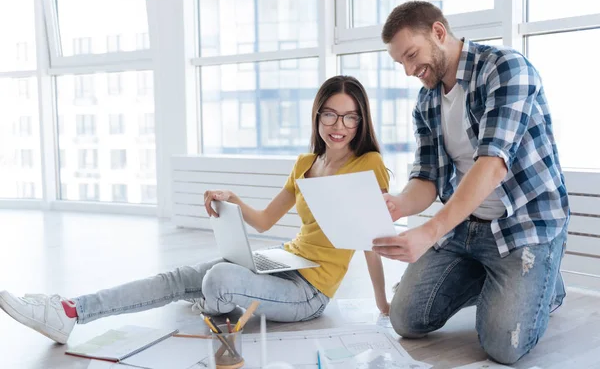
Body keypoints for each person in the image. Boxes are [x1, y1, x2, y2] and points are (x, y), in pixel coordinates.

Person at [0, 75, 391, 345]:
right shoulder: (306, 162)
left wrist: (383, 306)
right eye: (330, 114)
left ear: (361, 121)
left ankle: (214, 299)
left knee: (217, 278)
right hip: (284, 261)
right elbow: (266, 220)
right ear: (317, 115)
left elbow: (373, 240)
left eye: (350, 116)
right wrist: (233, 200)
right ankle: (70, 312)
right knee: (180, 275)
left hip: (311, 292)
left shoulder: (368, 165)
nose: (339, 125)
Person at [371, 1, 569, 365]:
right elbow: (427, 178)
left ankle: (546, 285)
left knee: (502, 346)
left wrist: (429, 232)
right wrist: (398, 203)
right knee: (406, 319)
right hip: (466, 230)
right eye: (401, 63)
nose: (410, 70)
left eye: (412, 55)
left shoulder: (506, 69)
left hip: (523, 226)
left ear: (439, 32)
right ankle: (491, 278)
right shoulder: (427, 102)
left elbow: (492, 165)